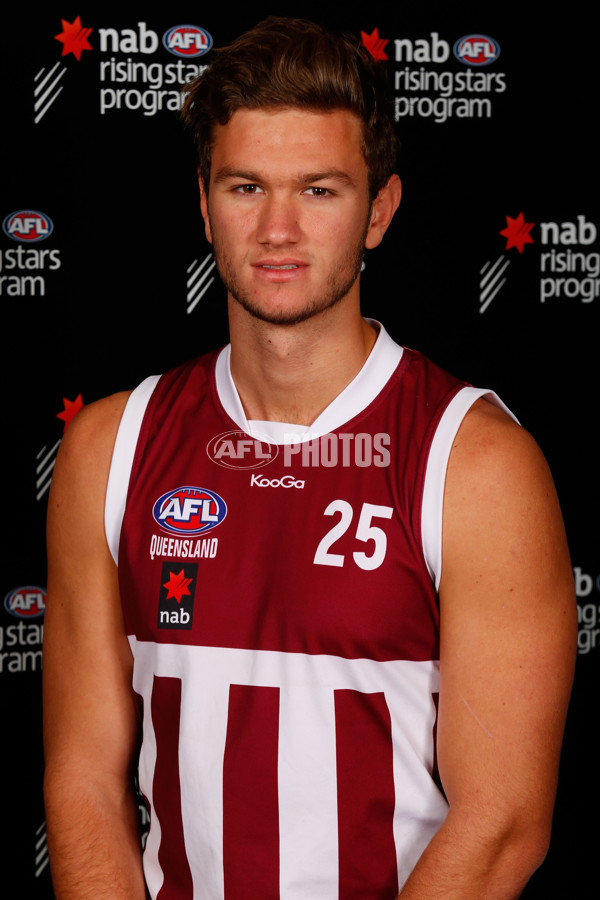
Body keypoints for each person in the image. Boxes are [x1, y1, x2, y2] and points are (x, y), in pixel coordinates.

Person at [42, 16, 576, 900]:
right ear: (204, 203)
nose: (278, 227)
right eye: (247, 186)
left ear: (381, 211)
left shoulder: (475, 463)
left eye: (320, 191)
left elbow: (503, 825)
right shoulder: (111, 447)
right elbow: (83, 780)